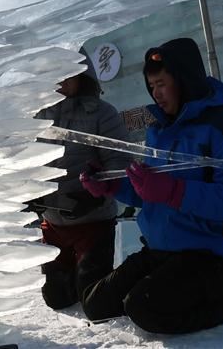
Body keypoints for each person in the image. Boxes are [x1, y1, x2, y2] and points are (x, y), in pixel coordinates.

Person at [79, 38, 223, 334]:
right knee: (96, 304)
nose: (156, 93)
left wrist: (173, 191)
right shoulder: (159, 133)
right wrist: (112, 186)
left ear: (185, 80)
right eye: (151, 86)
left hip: (213, 253)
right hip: (162, 249)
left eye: (162, 83)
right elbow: (151, 194)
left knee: (145, 309)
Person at [32, 51, 131, 310]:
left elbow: (119, 162)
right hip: (53, 222)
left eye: (68, 74)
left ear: (82, 74)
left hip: (93, 221)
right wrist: (30, 192)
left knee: (93, 297)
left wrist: (95, 197)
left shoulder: (102, 113)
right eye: (54, 75)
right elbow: (28, 161)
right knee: (57, 299)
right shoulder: (38, 117)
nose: (61, 82)